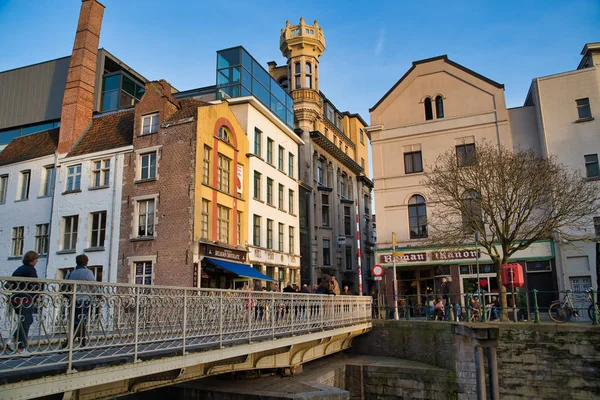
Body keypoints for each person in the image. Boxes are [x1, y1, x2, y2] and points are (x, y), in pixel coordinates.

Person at [8, 251, 40, 353]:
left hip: (15, 298)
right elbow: (35, 285)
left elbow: (9, 284)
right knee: (26, 321)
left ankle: (13, 339)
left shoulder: (19, 268)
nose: (37, 261)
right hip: (25, 299)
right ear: (33, 260)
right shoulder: (31, 270)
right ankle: (21, 347)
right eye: (36, 259)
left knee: (26, 320)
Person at [62, 254, 96, 348]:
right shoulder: (88, 272)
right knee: (82, 321)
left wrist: (69, 296)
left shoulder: (71, 273)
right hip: (84, 300)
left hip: (73, 300)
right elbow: (93, 286)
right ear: (86, 262)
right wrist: (98, 295)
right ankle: (73, 341)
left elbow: (64, 287)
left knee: (76, 320)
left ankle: (80, 342)